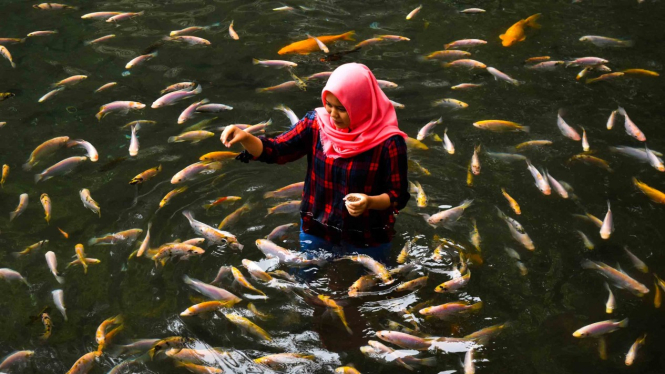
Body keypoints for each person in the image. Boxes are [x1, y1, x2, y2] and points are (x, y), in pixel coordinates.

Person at [220, 63, 410, 263]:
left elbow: (398, 196)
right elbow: (277, 150)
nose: (333, 114)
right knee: (309, 280)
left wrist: (369, 202)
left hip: (368, 235)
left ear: (361, 104)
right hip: (318, 228)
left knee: (372, 288)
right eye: (329, 104)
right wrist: (245, 137)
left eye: (342, 108)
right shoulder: (316, 124)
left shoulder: (389, 143)